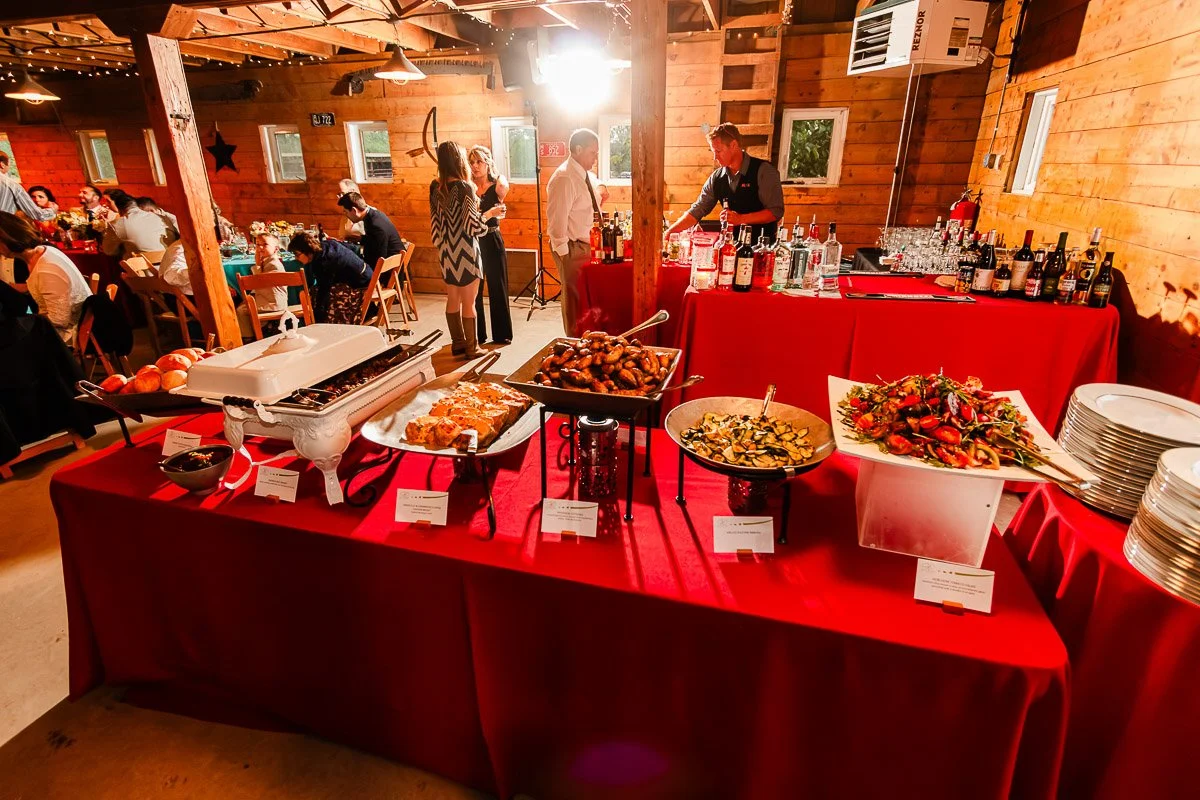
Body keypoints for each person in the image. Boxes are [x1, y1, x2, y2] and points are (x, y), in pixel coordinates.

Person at [666, 122, 784, 244]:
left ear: (733, 145)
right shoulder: (716, 178)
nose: (715, 157)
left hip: (761, 250)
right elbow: (698, 210)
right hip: (730, 248)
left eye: (718, 151)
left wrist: (741, 219)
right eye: (713, 151)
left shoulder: (764, 171)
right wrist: (669, 233)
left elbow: (776, 212)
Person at [429, 141, 487, 358]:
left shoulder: (435, 187)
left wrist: (444, 245)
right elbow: (473, 226)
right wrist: (487, 219)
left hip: (445, 251)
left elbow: (434, 222)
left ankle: (458, 343)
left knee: (452, 298)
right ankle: (473, 348)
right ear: (458, 160)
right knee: (469, 302)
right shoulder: (465, 188)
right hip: (466, 252)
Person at [0, 211, 91, 343]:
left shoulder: (46, 268)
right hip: (54, 328)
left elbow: (60, 319)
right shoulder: (41, 251)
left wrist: (26, 321)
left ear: (8, 239)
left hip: (63, 337)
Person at [546, 128, 602, 335]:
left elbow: (592, 183)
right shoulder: (564, 178)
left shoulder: (583, 174)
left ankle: (584, 337)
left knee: (584, 299)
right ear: (578, 149)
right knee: (573, 300)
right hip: (571, 247)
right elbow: (556, 220)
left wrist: (601, 186)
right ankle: (573, 341)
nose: (595, 158)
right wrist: (565, 255)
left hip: (586, 245)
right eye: (592, 153)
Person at [467, 145, 512, 345]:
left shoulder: (497, 185)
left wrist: (499, 177)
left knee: (498, 286)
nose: (475, 166)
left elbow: (503, 190)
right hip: (474, 240)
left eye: (479, 162)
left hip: (492, 238)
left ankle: (502, 334)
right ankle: (478, 335)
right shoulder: (466, 186)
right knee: (475, 288)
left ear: (488, 163)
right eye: (472, 162)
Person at [286, 230, 371, 325]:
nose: (296, 258)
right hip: (367, 274)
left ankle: (325, 324)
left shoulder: (323, 262)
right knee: (315, 292)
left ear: (308, 251)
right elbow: (352, 248)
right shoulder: (326, 244)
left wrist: (318, 316)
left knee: (321, 297)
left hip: (359, 284)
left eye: (297, 255)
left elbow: (324, 290)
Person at [236, 233, 289, 337]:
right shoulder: (267, 262)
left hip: (273, 304)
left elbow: (258, 283)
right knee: (243, 305)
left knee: (241, 311)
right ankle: (257, 332)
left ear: (276, 249)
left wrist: (258, 265)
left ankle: (248, 338)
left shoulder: (274, 265)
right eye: (257, 244)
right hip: (267, 300)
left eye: (265, 244)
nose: (260, 247)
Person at [336, 192, 403, 274]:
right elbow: (376, 241)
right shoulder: (375, 215)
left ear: (354, 210)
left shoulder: (375, 225)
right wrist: (360, 239)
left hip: (390, 272)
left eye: (346, 212)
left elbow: (378, 257)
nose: (346, 215)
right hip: (394, 268)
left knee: (345, 269)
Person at [99, 188, 174, 259]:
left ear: (119, 209)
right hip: (172, 263)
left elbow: (108, 251)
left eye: (108, 202)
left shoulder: (118, 224)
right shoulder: (163, 217)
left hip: (143, 268)